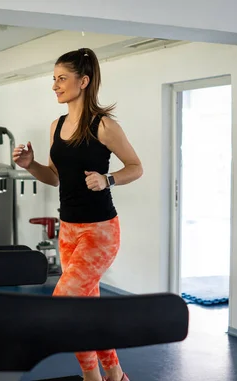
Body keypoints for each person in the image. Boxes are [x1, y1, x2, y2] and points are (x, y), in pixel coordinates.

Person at [13, 47, 143, 381]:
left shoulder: (104, 126)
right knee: (87, 308)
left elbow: (136, 167)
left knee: (65, 303)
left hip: (100, 232)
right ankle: (110, 375)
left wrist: (108, 178)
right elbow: (54, 176)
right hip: (68, 230)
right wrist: (31, 166)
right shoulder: (56, 125)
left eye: (61, 78)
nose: (55, 86)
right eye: (53, 79)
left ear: (83, 81)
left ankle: (98, 377)